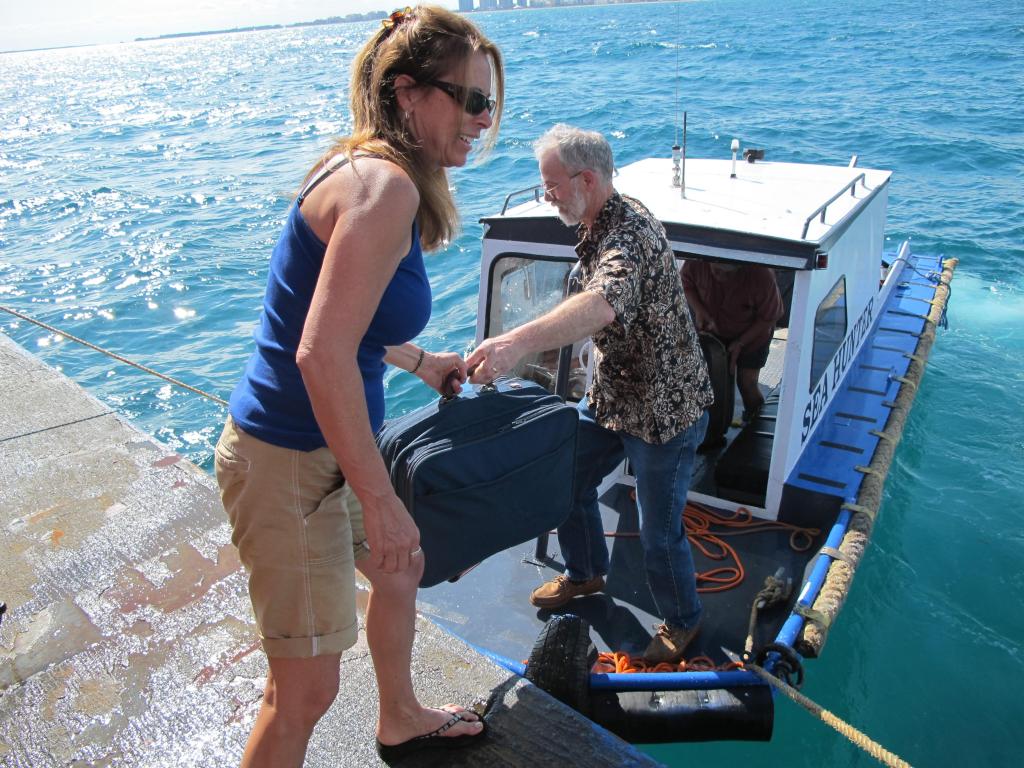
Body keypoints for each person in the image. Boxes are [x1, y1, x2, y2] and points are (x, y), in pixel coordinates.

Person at [213, 7, 504, 766]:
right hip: (288, 465)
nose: (483, 119)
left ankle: (401, 715)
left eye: (491, 103)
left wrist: (420, 362)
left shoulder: (370, 172)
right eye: (471, 99)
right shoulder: (386, 190)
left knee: (399, 572)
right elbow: (319, 355)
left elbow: (343, 324)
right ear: (409, 94)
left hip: (324, 450)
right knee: (303, 695)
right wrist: (380, 501)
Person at [466, 124, 714, 665]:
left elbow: (603, 302)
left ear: (585, 178)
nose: (546, 194)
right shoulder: (597, 221)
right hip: (613, 397)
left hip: (664, 412)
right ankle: (585, 574)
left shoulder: (629, 238)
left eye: (551, 184)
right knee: (565, 476)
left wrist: (513, 343)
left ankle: (684, 620)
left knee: (658, 532)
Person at [681, 259, 783, 422]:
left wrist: (741, 342)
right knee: (708, 381)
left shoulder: (761, 276)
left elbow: (770, 316)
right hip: (712, 330)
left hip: (753, 336)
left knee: (746, 383)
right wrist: (699, 310)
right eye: (716, 271)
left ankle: (755, 423)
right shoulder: (696, 262)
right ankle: (712, 426)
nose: (720, 277)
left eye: (726, 273)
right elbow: (686, 285)